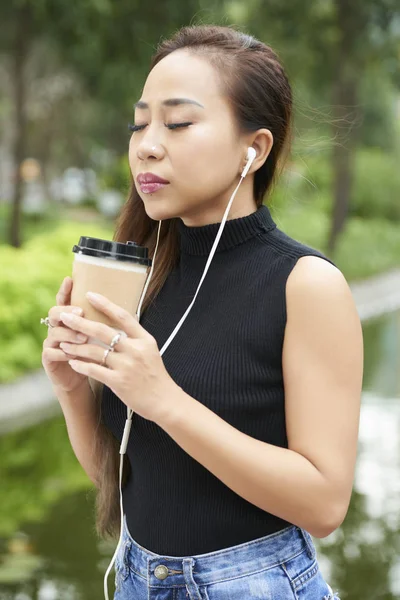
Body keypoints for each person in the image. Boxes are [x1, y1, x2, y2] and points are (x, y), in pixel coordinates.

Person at [41, 24, 363, 600]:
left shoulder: (306, 285)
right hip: (140, 578)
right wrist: (69, 388)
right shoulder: (144, 275)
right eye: (140, 123)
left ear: (254, 148)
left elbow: (324, 504)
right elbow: (124, 481)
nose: (146, 143)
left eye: (179, 122)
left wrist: (163, 399)